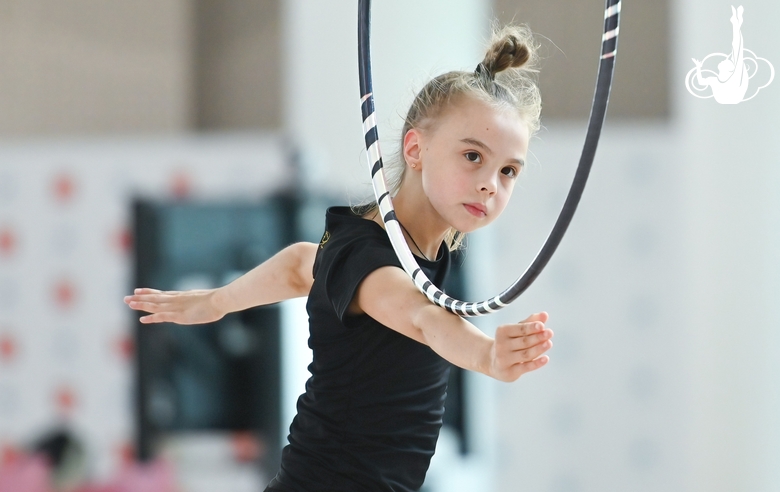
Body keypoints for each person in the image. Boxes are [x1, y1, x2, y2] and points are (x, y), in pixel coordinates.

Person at [124, 24, 553, 492]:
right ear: (416, 149)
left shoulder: (388, 254)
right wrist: (488, 354)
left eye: (508, 170)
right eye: (473, 156)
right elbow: (421, 318)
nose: (491, 183)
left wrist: (220, 301)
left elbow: (299, 264)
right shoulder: (369, 257)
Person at [692, 5, 749, 104]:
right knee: (737, 50)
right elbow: (701, 82)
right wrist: (698, 67)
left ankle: (736, 23)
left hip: (732, 97)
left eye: (727, 61)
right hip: (729, 98)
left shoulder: (733, 78)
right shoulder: (716, 80)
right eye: (728, 61)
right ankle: (736, 23)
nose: (725, 59)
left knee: (737, 49)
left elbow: (737, 49)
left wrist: (736, 26)